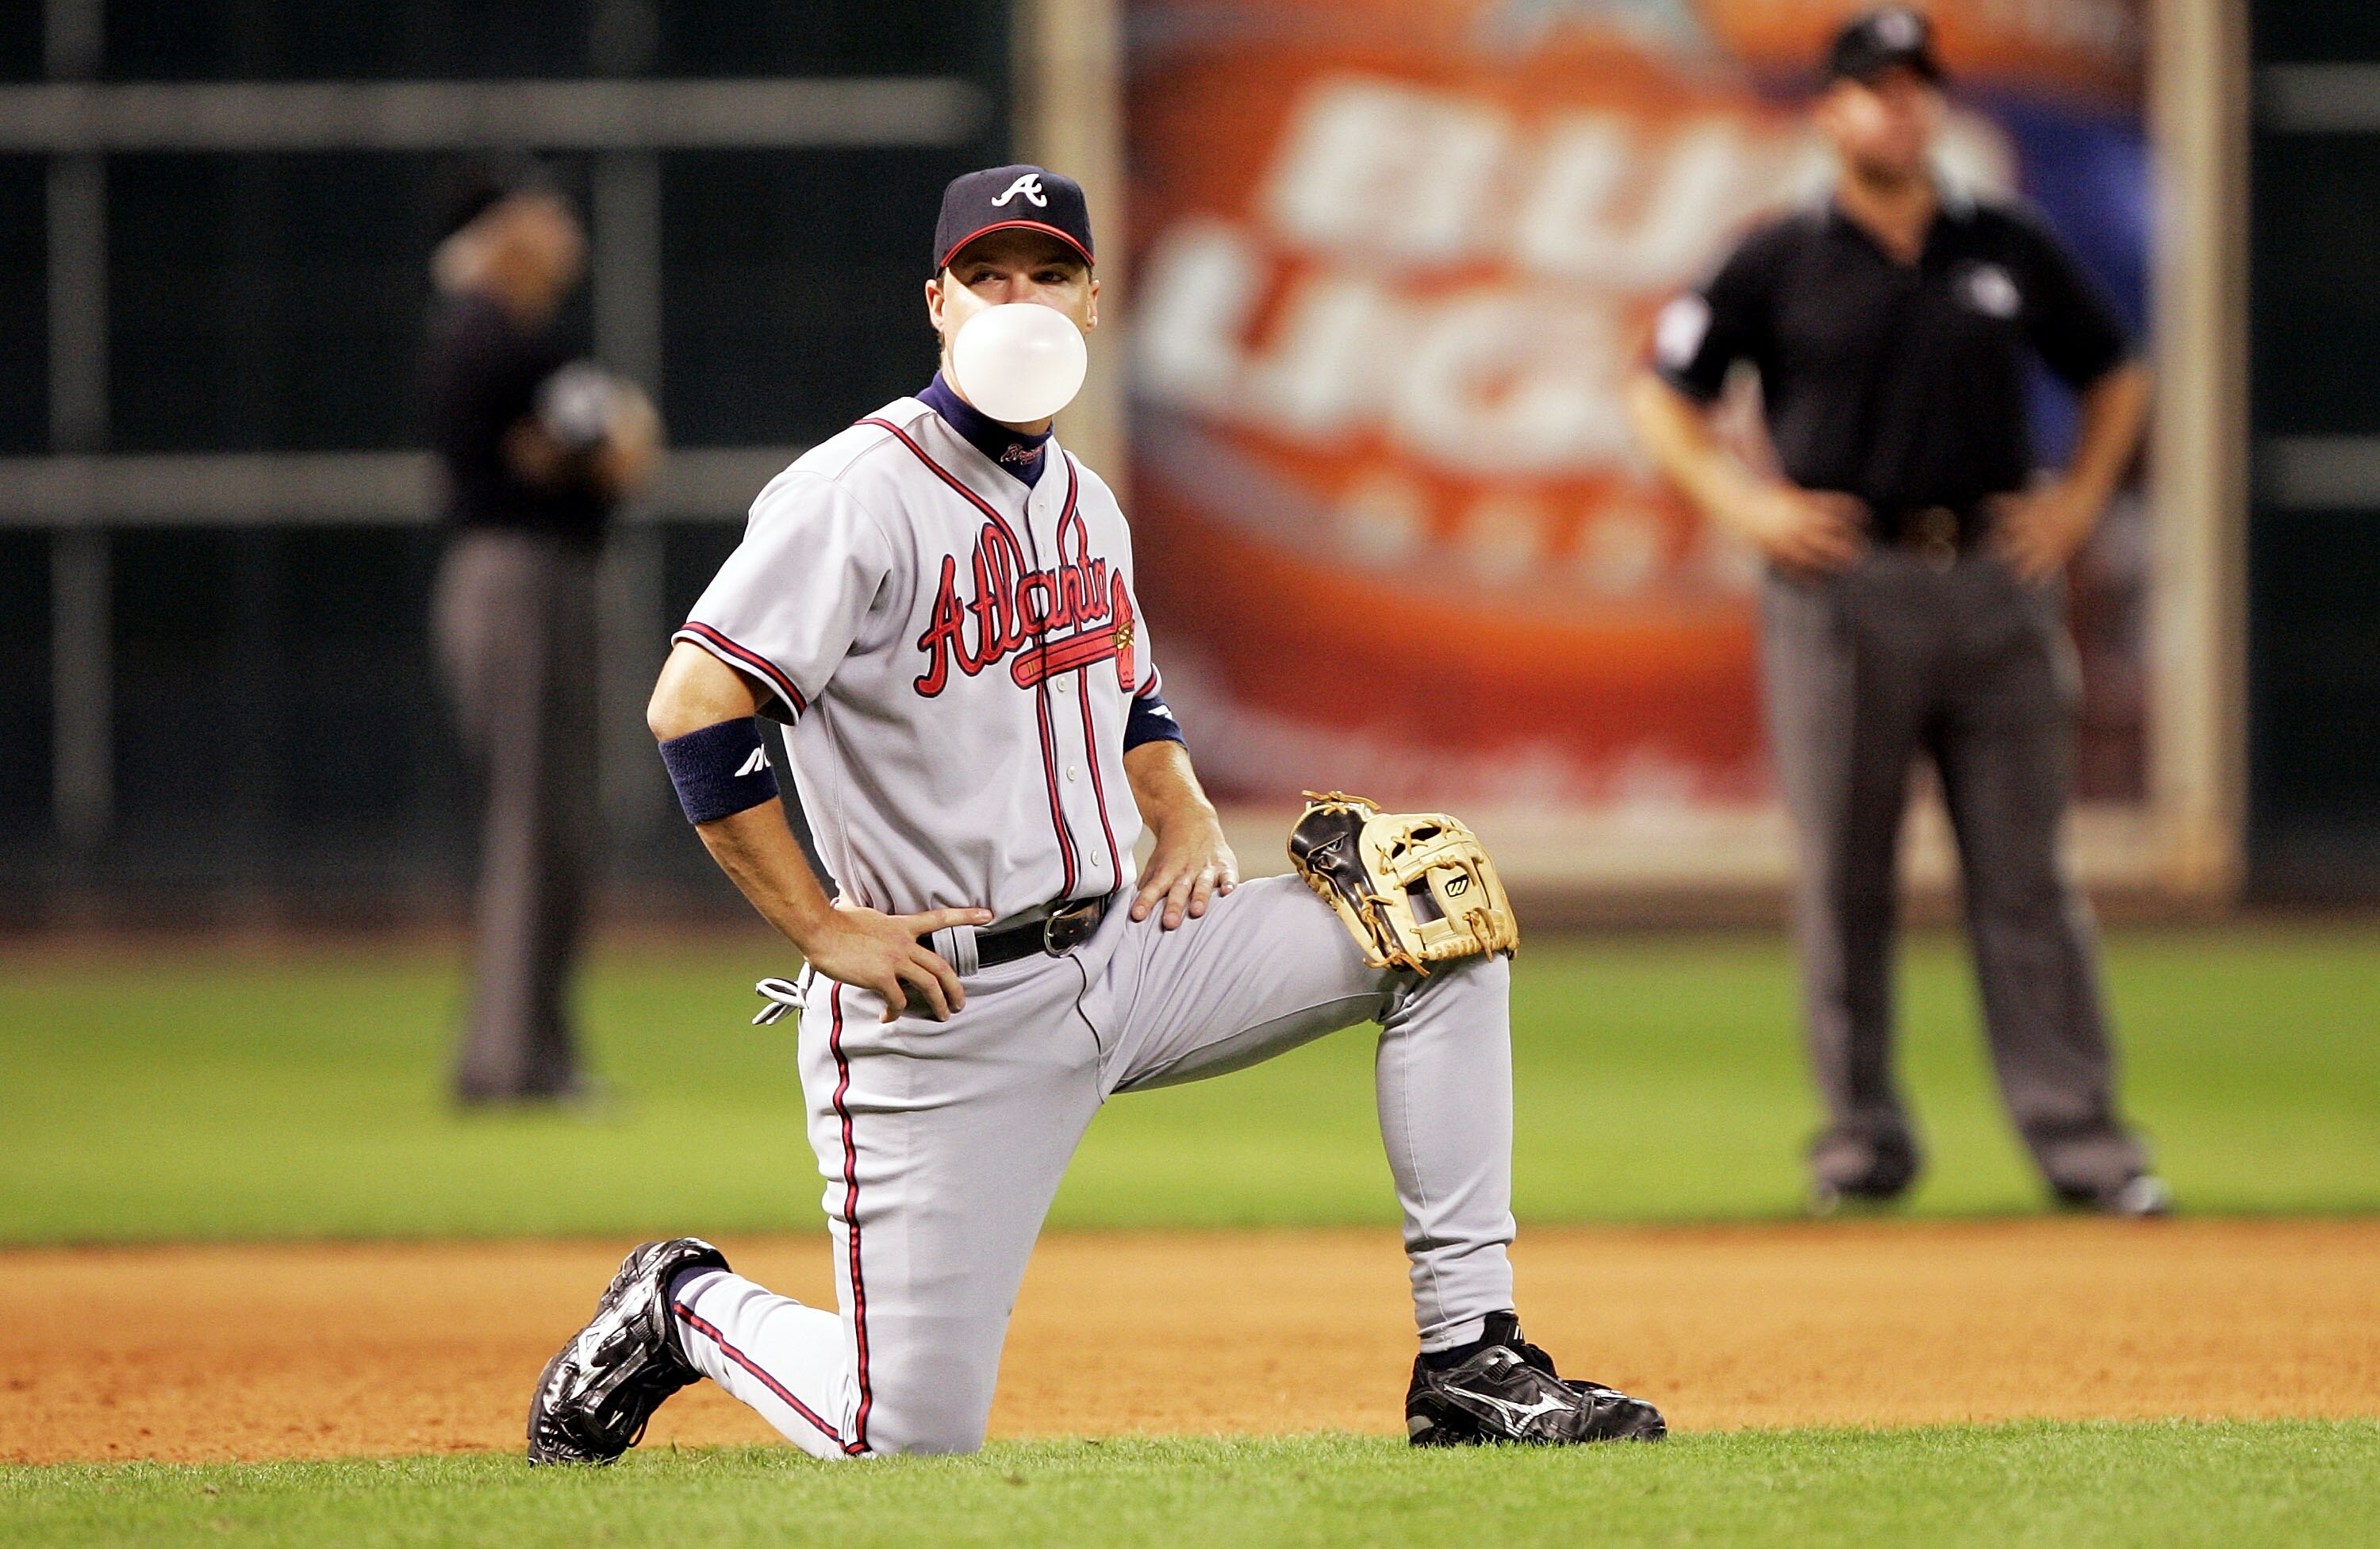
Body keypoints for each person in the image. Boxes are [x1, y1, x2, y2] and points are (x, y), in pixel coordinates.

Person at [524, 164, 1666, 1463]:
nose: (1020, 296)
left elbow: (1128, 687)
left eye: (1048, 271)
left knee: (1437, 913)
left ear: (1092, 300)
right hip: (944, 1015)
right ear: (939, 304)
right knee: (898, 1433)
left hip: (1130, 955)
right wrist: (822, 924)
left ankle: (1472, 1360)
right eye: (988, 273)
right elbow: (694, 702)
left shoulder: (1081, 498)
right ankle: (680, 1307)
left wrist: (1177, 805)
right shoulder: (855, 492)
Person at [1627, 7, 2167, 1217]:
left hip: (1993, 579)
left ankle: (2085, 1146)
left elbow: (2116, 369)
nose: (1899, 107)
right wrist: (1746, 506)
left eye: (1917, 85)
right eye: (1874, 88)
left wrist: (2077, 501)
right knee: (1845, 880)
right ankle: (1862, 1145)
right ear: (1829, 112)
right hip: (1841, 586)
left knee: (2027, 879)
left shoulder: (2005, 241)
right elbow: (1664, 394)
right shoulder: (1778, 255)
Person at [426, 167, 660, 1105]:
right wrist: (611, 441)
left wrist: (605, 446)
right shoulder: (495, 337)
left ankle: (522, 1056)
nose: (565, 230)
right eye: (543, 215)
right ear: (500, 233)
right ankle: (514, 1064)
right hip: (520, 578)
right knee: (537, 823)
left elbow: (610, 449)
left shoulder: (502, 338)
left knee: (549, 824)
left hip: (523, 575)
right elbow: (617, 447)